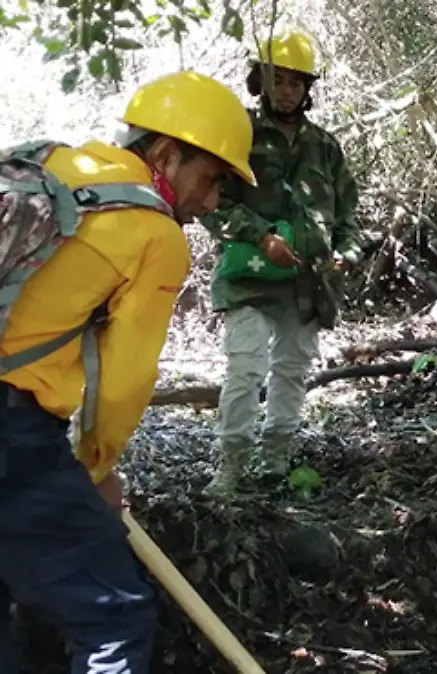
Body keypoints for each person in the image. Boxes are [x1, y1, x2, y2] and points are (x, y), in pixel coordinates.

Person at [0, 71, 256, 673]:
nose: (212, 202)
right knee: (114, 617)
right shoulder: (155, 234)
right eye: (211, 178)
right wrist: (97, 467)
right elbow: (124, 381)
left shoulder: (53, 162)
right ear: (165, 153)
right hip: (12, 437)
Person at [202, 31, 362, 495]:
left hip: (307, 281)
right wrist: (261, 236)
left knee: (292, 370)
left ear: (309, 88)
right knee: (246, 369)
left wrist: (346, 255)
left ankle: (275, 461)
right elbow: (213, 202)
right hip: (248, 278)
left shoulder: (325, 147)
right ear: (260, 80)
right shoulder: (240, 135)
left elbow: (348, 214)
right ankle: (230, 467)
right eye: (279, 79)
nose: (288, 90)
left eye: (297, 82)